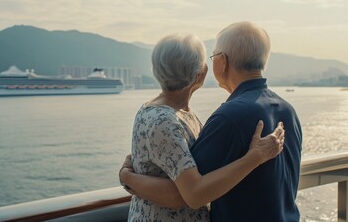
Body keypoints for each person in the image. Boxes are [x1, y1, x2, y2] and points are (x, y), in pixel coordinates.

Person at [120, 33, 286, 222]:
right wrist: (255, 157)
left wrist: (127, 177)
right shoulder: (165, 122)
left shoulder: (173, 113)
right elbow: (191, 194)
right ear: (201, 74)